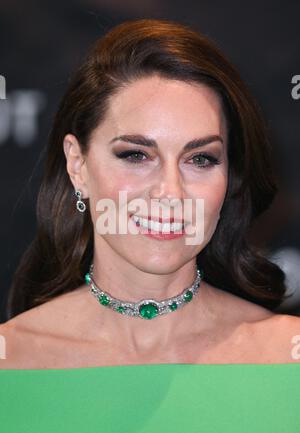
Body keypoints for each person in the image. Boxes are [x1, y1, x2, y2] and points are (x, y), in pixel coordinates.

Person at [1, 18, 300, 370]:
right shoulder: (12, 359)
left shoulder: (286, 356)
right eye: (136, 155)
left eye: (200, 159)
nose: (170, 192)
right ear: (77, 165)